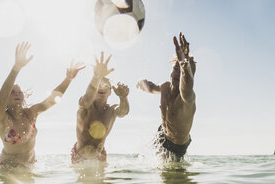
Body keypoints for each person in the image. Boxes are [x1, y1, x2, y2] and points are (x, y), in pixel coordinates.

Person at [0, 42, 85, 167]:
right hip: (7, 168)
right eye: (12, 92)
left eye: (19, 92)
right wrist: (17, 67)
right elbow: (2, 97)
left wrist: (68, 79)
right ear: (7, 98)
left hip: (30, 167)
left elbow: (52, 100)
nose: (16, 94)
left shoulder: (31, 114)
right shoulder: (2, 119)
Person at [137, 32, 196, 162]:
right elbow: (152, 88)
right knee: (146, 163)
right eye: (175, 68)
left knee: (174, 176)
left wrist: (184, 64)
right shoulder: (165, 87)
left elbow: (187, 85)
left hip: (177, 145)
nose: (177, 73)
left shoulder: (187, 98)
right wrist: (143, 83)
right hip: (163, 134)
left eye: (181, 71)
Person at [71, 52, 129, 163]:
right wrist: (96, 76)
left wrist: (123, 97)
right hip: (79, 157)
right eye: (99, 85)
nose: (101, 87)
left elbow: (123, 112)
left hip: (100, 157)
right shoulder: (85, 105)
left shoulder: (112, 110)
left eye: (106, 86)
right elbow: (88, 96)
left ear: (110, 93)